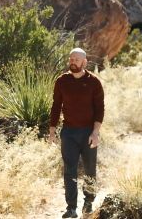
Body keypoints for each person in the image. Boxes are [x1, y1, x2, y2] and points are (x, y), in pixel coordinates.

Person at [49, 48, 105, 218]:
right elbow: (56, 106)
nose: (73, 62)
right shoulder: (61, 81)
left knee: (89, 169)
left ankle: (88, 202)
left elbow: (100, 109)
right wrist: (52, 130)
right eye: (71, 59)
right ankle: (71, 208)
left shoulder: (94, 82)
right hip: (69, 133)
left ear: (84, 62)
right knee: (69, 170)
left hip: (88, 132)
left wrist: (95, 132)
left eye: (77, 59)